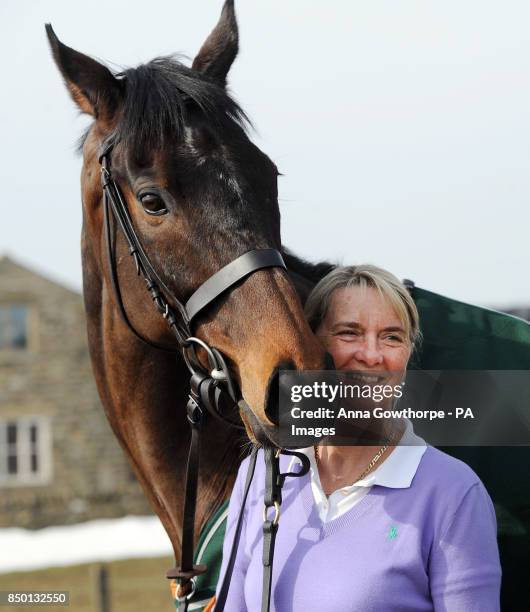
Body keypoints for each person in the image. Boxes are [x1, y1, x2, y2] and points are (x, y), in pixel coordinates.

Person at [214, 264, 501, 611]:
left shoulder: (453, 493)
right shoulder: (260, 471)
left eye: (392, 337)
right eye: (349, 333)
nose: (371, 355)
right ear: (312, 343)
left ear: (408, 355)